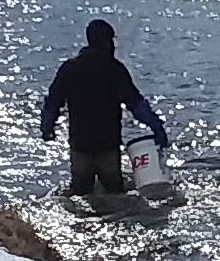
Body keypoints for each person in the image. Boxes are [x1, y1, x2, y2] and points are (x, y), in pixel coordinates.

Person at [38, 18, 168, 199]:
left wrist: (47, 129)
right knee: (115, 195)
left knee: (80, 196)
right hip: (107, 147)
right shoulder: (115, 70)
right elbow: (137, 105)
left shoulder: (70, 69)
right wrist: (156, 127)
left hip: (80, 147)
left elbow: (52, 103)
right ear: (107, 42)